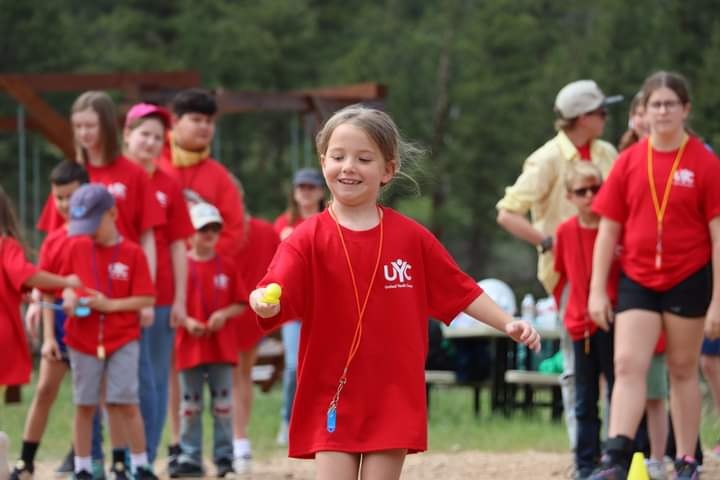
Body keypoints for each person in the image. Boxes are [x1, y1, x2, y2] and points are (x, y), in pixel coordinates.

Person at [250, 105, 541, 479]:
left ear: (388, 169)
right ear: (324, 162)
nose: (349, 167)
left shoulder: (411, 237)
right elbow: (275, 290)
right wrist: (263, 301)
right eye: (338, 157)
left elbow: (460, 289)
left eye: (364, 158)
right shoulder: (306, 237)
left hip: (392, 393)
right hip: (331, 393)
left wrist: (508, 322)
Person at [588, 71, 720, 479]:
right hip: (639, 278)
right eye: (655, 105)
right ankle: (616, 457)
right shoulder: (630, 160)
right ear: (643, 112)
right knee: (627, 363)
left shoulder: (703, 161)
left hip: (689, 276)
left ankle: (686, 459)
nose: (662, 111)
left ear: (685, 109)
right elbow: (608, 230)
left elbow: (718, 236)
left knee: (682, 369)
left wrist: (718, 299)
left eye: (670, 104)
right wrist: (596, 291)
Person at [496, 79, 620, 449]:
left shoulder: (606, 152)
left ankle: (615, 448)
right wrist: (549, 243)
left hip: (612, 273)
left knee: (615, 366)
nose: (605, 117)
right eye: (601, 111)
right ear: (582, 117)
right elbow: (507, 212)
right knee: (575, 366)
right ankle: (581, 447)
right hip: (569, 275)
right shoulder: (548, 158)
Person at [59, 184, 157, 480]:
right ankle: (83, 468)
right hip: (82, 339)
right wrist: (69, 300)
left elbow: (147, 298)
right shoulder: (76, 247)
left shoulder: (133, 253)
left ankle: (137, 464)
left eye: (93, 224)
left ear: (112, 213)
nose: (88, 231)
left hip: (123, 338)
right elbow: (67, 285)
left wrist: (109, 305)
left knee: (124, 401)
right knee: (84, 404)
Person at [9, 161, 91, 480]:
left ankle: (81, 456)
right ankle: (26, 460)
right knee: (45, 390)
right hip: (59, 328)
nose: (66, 204)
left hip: (91, 329)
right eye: (59, 198)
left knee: (86, 399)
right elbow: (44, 292)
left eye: (72, 196)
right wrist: (48, 339)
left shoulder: (101, 237)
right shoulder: (54, 240)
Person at [123, 103, 194, 465]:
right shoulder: (110, 178)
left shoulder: (168, 184)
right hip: (114, 293)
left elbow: (180, 245)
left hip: (161, 294)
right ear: (126, 135)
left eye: (156, 137)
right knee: (114, 381)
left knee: (153, 379)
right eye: (143, 134)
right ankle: (102, 455)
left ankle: (145, 458)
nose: (150, 143)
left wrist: (180, 299)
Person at [171, 202, 247, 478]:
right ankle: (190, 456)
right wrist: (186, 321)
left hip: (220, 347)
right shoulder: (180, 266)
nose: (210, 234)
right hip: (189, 346)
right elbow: (171, 305)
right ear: (190, 232)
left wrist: (223, 315)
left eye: (215, 228)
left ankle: (224, 457)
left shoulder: (226, 264)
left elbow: (241, 302)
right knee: (189, 406)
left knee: (223, 405)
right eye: (203, 229)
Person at [554, 162, 618, 479]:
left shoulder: (614, 227)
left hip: (613, 321)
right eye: (582, 191)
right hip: (580, 325)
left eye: (596, 188)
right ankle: (585, 463)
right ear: (569, 196)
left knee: (617, 392)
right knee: (584, 397)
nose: (590, 196)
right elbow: (563, 275)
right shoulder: (565, 231)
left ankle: (619, 457)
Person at [273, 167, 326, 446]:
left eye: (310, 187)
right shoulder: (283, 224)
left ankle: (321, 420)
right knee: (294, 367)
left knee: (326, 367)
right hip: (294, 308)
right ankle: (287, 420)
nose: (305, 192)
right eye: (301, 187)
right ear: (294, 192)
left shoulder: (330, 219)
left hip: (326, 307)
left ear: (320, 191)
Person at [232, 203, 281, 473]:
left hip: (248, 311)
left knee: (239, 375)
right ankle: (237, 441)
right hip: (234, 309)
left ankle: (238, 440)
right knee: (238, 376)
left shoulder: (261, 231)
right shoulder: (221, 231)